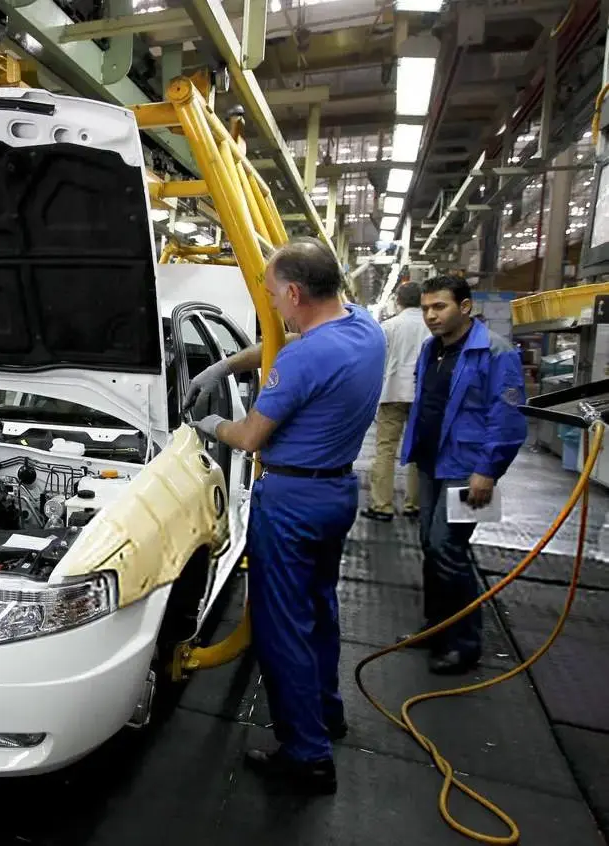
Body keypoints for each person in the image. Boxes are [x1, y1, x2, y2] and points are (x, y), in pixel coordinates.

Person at [185, 237, 384, 795]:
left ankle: (306, 755)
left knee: (280, 629)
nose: (272, 304)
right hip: (335, 493)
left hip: (292, 503)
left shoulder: (302, 360)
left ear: (295, 293)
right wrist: (228, 363)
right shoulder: (363, 328)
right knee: (318, 611)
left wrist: (210, 425)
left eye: (273, 295)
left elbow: (250, 436)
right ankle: (327, 713)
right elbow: (298, 341)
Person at [399, 275, 526, 675]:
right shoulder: (430, 348)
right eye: (426, 308)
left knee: (447, 548)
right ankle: (436, 626)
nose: (431, 316)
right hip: (431, 461)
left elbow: (507, 419)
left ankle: (464, 644)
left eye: (440, 307)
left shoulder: (496, 352)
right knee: (429, 544)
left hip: (468, 468)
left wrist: (488, 471)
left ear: (465, 307)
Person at [362, 281, 432, 522]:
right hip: (422, 395)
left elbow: (376, 362)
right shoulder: (431, 326)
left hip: (392, 393)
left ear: (398, 301)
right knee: (419, 451)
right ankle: (414, 504)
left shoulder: (388, 327)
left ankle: (382, 505)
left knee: (385, 449)